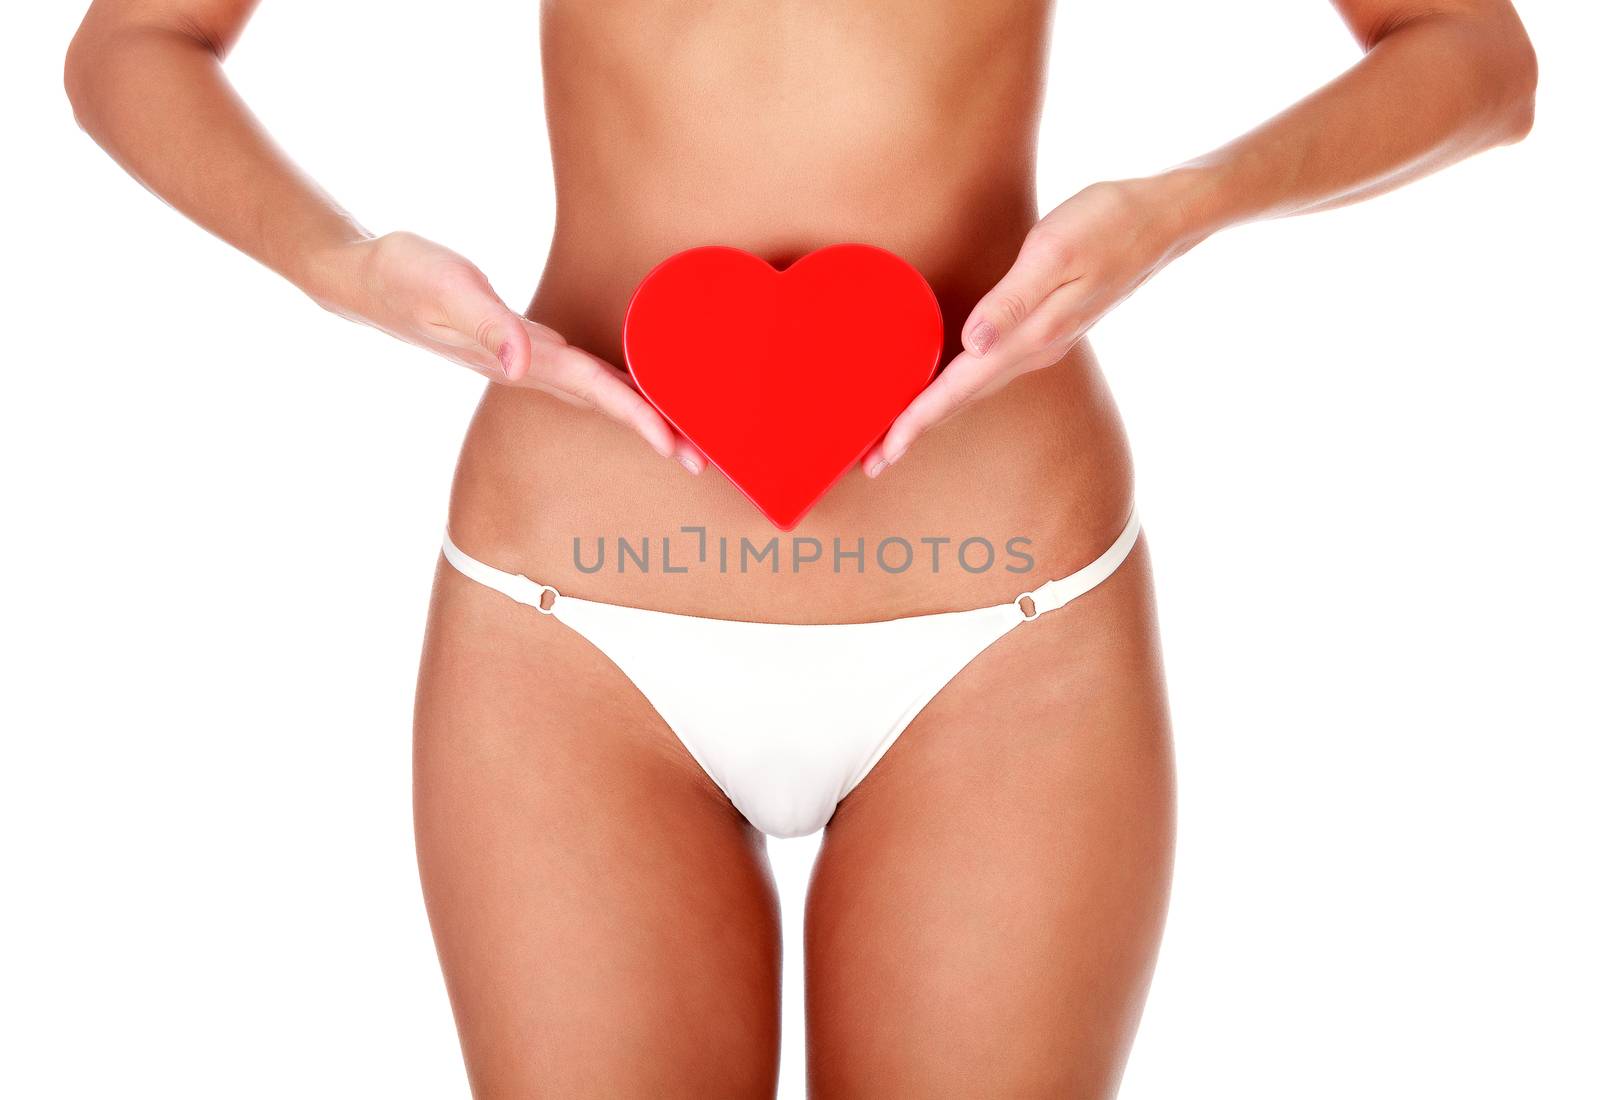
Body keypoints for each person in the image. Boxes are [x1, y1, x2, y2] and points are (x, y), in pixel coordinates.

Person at [65, 1, 1536, 1095]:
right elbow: (135, 42)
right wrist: (342, 267)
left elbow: (1475, 56)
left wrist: (1178, 209)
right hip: (570, 638)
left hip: (1005, 650)